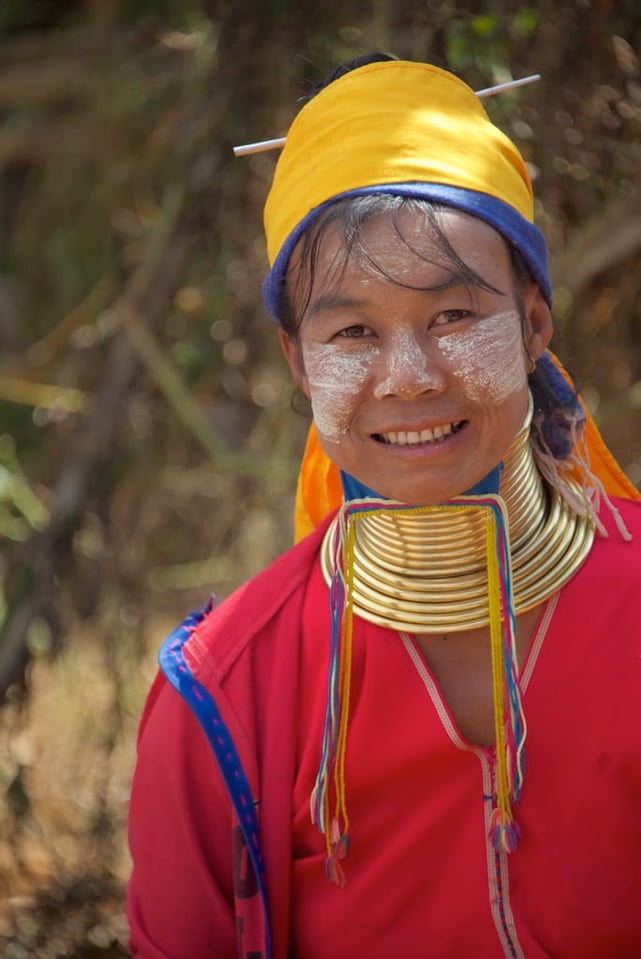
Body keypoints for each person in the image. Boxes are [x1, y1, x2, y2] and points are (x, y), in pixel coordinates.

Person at [127, 54, 641, 959]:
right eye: (353, 332)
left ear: (533, 323)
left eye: (452, 316)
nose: (409, 378)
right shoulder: (228, 693)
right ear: (296, 361)